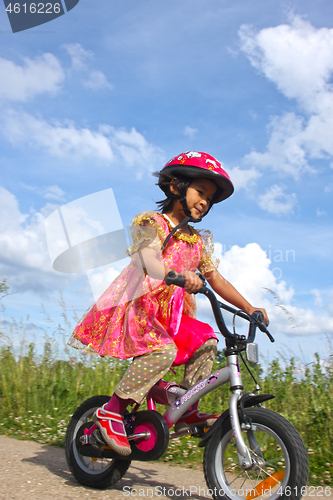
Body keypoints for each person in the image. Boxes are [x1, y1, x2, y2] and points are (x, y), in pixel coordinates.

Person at [68, 151, 269, 456]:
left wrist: (249, 307)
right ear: (176, 187)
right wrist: (175, 274)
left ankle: (186, 406)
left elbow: (217, 280)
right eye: (200, 192)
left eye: (210, 198)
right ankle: (111, 411)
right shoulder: (153, 222)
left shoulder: (197, 240)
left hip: (171, 316)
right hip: (140, 309)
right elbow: (149, 260)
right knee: (163, 351)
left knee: (207, 340)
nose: (205, 201)